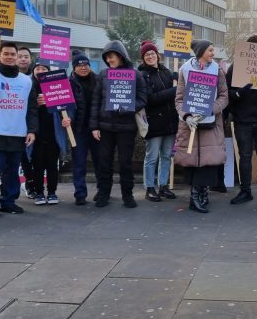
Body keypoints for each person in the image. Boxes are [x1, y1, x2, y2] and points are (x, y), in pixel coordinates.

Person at [0, 41, 38, 218]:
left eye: (13, 54)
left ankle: (9, 201)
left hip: (18, 133)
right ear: (0, 55)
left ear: (18, 57)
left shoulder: (26, 81)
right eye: (6, 54)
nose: (10, 57)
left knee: (12, 171)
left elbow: (32, 107)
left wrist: (32, 130)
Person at [174, 40, 229, 213]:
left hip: (210, 123)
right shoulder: (184, 70)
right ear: (201, 51)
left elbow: (224, 96)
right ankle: (195, 196)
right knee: (193, 160)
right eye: (210, 50)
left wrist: (210, 110)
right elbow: (179, 99)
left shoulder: (217, 70)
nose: (213, 52)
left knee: (207, 161)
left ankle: (202, 194)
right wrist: (186, 115)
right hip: (190, 125)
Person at [90, 40, 147, 208]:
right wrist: (94, 126)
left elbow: (143, 99)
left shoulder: (136, 74)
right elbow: (96, 101)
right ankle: (103, 194)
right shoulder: (103, 74)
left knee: (125, 163)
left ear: (121, 56)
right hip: (105, 127)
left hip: (126, 127)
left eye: (111, 56)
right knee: (104, 162)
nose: (109, 60)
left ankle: (127, 195)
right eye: (106, 57)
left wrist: (128, 108)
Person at [226, 35, 257, 206]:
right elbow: (227, 94)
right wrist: (240, 93)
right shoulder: (235, 67)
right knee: (245, 157)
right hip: (243, 120)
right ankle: (245, 191)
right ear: (250, 49)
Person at [138, 40, 178, 202]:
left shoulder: (166, 72)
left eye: (152, 53)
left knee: (167, 156)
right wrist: (172, 91)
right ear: (143, 58)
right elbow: (150, 99)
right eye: (146, 54)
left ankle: (163, 186)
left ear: (158, 55)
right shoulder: (142, 75)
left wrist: (177, 78)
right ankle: (149, 188)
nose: (150, 56)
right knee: (152, 157)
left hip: (170, 121)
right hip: (153, 122)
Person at [29, 62, 72, 205]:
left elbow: (66, 107)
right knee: (38, 165)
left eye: (44, 69)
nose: (41, 71)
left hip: (54, 133)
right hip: (35, 134)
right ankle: (39, 192)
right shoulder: (28, 86)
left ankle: (52, 192)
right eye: (38, 69)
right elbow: (23, 108)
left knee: (53, 165)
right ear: (33, 71)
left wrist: (66, 118)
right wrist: (36, 102)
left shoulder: (57, 84)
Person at [68, 51, 99, 205]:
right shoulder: (68, 83)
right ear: (74, 68)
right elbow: (67, 106)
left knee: (100, 161)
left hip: (96, 128)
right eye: (79, 65)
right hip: (78, 130)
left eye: (86, 64)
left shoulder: (97, 80)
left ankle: (102, 191)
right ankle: (80, 194)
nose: (83, 67)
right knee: (79, 163)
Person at [15, 46, 34, 197]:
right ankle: (9, 188)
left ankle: (30, 183)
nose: (23, 59)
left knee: (29, 158)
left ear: (30, 59)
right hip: (12, 124)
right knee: (13, 159)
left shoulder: (35, 76)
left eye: (26, 56)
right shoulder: (7, 76)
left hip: (31, 124)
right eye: (20, 56)